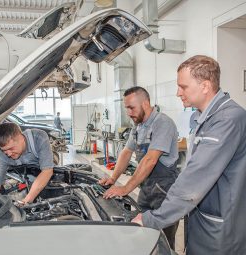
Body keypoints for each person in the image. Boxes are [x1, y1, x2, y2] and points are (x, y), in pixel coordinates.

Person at [132, 55, 246, 254]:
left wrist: (152, 219)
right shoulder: (204, 117)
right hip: (202, 217)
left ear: (205, 86)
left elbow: (195, 178)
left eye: (183, 87)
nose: (178, 93)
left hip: (221, 227)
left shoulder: (228, 119)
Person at [99, 86, 179, 249]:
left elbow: (150, 160)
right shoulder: (138, 127)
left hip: (165, 191)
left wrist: (126, 188)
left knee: (163, 240)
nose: (128, 112)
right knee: (140, 231)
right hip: (146, 188)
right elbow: (126, 152)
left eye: (131, 107)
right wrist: (113, 179)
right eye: (126, 108)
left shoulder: (162, 123)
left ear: (145, 103)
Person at [0, 122, 54, 204]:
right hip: (23, 176)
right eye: (4, 150)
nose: (8, 153)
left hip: (41, 168)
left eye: (11, 148)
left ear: (21, 138)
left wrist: (27, 201)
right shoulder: (0, 156)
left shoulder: (38, 138)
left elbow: (47, 171)